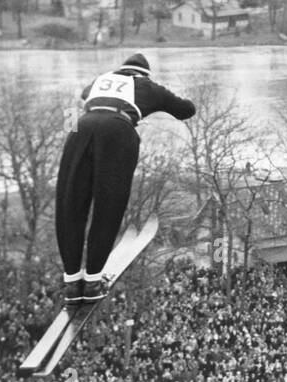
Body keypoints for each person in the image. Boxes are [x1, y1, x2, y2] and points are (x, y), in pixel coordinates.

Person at [54, 53, 195, 304]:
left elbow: (84, 95)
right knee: (109, 205)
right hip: (118, 130)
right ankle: (94, 280)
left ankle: (72, 282)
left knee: (70, 203)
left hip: (80, 127)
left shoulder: (100, 80)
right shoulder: (147, 85)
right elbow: (186, 110)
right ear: (143, 74)